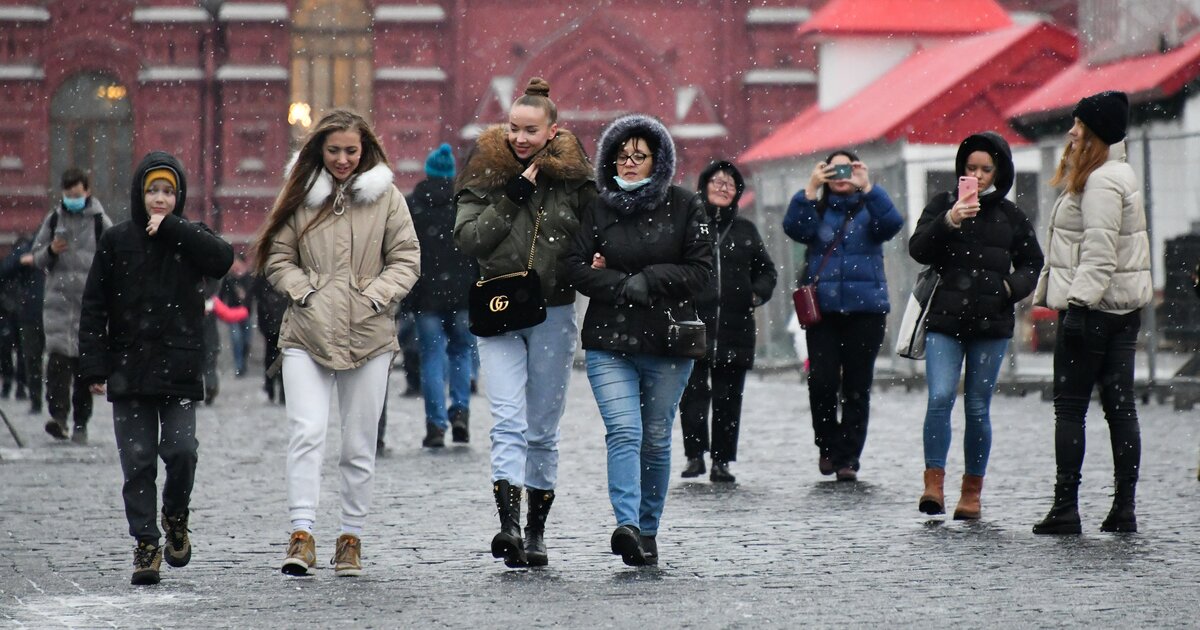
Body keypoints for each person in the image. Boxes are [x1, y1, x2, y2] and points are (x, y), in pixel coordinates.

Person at [257, 109, 420, 576]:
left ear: (365, 148)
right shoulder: (302, 196)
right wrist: (305, 292)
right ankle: (302, 533)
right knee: (306, 433)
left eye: (351, 150)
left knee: (358, 442)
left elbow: (406, 259)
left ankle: (350, 536)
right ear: (319, 151)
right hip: (306, 332)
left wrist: (375, 296)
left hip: (369, 334)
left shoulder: (386, 198)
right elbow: (278, 256)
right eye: (334, 151)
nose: (343, 159)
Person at [455, 77, 594, 568]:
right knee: (507, 420)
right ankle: (508, 526)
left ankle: (536, 532)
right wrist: (512, 195)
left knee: (542, 428)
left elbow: (593, 238)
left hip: (554, 310)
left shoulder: (576, 182)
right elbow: (470, 239)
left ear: (552, 131)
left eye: (530, 131)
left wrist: (595, 264)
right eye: (514, 128)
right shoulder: (485, 172)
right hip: (497, 309)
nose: (519, 138)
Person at [78, 152, 234, 585]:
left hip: (180, 366)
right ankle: (146, 543)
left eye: (168, 191)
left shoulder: (189, 238)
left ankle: (176, 516)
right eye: (153, 191)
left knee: (182, 451)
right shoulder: (116, 241)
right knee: (138, 460)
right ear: (139, 195)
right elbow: (94, 306)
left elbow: (222, 258)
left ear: (178, 196)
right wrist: (94, 365)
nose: (160, 199)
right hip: (129, 369)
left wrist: (176, 229)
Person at [565, 114, 713, 567]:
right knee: (624, 431)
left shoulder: (686, 206)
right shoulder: (597, 207)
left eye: (639, 156)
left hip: (669, 342)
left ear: (657, 161)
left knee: (654, 437)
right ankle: (626, 524)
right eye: (621, 156)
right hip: (611, 340)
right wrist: (620, 286)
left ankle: (648, 529)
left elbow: (703, 273)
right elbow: (573, 266)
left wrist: (649, 279)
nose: (629, 164)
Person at [1032, 91, 1152, 535]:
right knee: (1120, 408)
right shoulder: (1120, 173)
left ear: (1096, 132)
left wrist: (1079, 306)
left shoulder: (1101, 180)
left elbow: (1098, 252)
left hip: (1093, 309)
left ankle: (1067, 506)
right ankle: (1124, 507)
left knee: (1071, 408)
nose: (1071, 131)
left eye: (1079, 125)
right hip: (1122, 309)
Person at [908, 132, 1044, 519]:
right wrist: (949, 221)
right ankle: (933, 484)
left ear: (999, 171)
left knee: (978, 408)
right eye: (971, 168)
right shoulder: (942, 205)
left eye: (986, 169)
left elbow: (1033, 263)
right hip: (945, 321)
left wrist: (1009, 287)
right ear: (961, 171)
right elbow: (918, 248)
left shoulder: (1012, 217)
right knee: (939, 398)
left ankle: (972, 492)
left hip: (992, 323)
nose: (978, 176)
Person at [782, 150, 904, 481]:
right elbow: (795, 229)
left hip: (866, 310)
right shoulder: (816, 209)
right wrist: (808, 190)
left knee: (856, 385)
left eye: (847, 169)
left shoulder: (870, 208)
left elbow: (892, 224)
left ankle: (848, 457)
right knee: (821, 382)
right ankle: (827, 445)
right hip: (824, 311)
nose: (840, 176)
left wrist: (869, 187)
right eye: (833, 170)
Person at [679, 160, 776, 483]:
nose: (723, 187)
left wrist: (755, 295)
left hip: (736, 327)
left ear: (737, 193)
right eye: (717, 182)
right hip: (693, 324)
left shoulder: (746, 230)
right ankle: (695, 455)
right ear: (704, 186)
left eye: (730, 184)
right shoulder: (689, 226)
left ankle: (722, 461)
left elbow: (767, 271)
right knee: (691, 393)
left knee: (728, 398)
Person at [31, 167, 113, 444]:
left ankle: (80, 422)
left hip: (88, 309)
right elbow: (37, 258)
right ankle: (59, 418)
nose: (72, 199)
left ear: (87, 192)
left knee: (83, 373)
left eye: (77, 195)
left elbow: (115, 259)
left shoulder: (101, 222)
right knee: (56, 366)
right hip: (57, 306)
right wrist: (51, 251)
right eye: (68, 195)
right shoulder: (54, 219)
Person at [409, 143, 477, 448]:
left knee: (432, 359)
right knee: (461, 353)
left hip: (426, 297)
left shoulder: (413, 205)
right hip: (463, 296)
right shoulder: (465, 203)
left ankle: (435, 425)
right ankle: (460, 412)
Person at [0, 233, 46, 413]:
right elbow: (6, 269)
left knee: (53, 359)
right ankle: (29, 393)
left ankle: (52, 404)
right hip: (29, 312)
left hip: (53, 312)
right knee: (28, 355)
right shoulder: (28, 251)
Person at [252, 270, 288, 403]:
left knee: (273, 356)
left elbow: (256, 293)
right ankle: (277, 389)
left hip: (272, 321)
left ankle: (272, 386)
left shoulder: (264, 272)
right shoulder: (276, 272)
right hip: (276, 321)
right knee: (279, 356)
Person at [219, 254, 254, 377]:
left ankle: (243, 362)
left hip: (246, 314)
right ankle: (238, 366)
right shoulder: (229, 279)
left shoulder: (249, 278)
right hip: (233, 314)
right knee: (236, 339)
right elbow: (221, 296)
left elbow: (255, 295)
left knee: (246, 340)